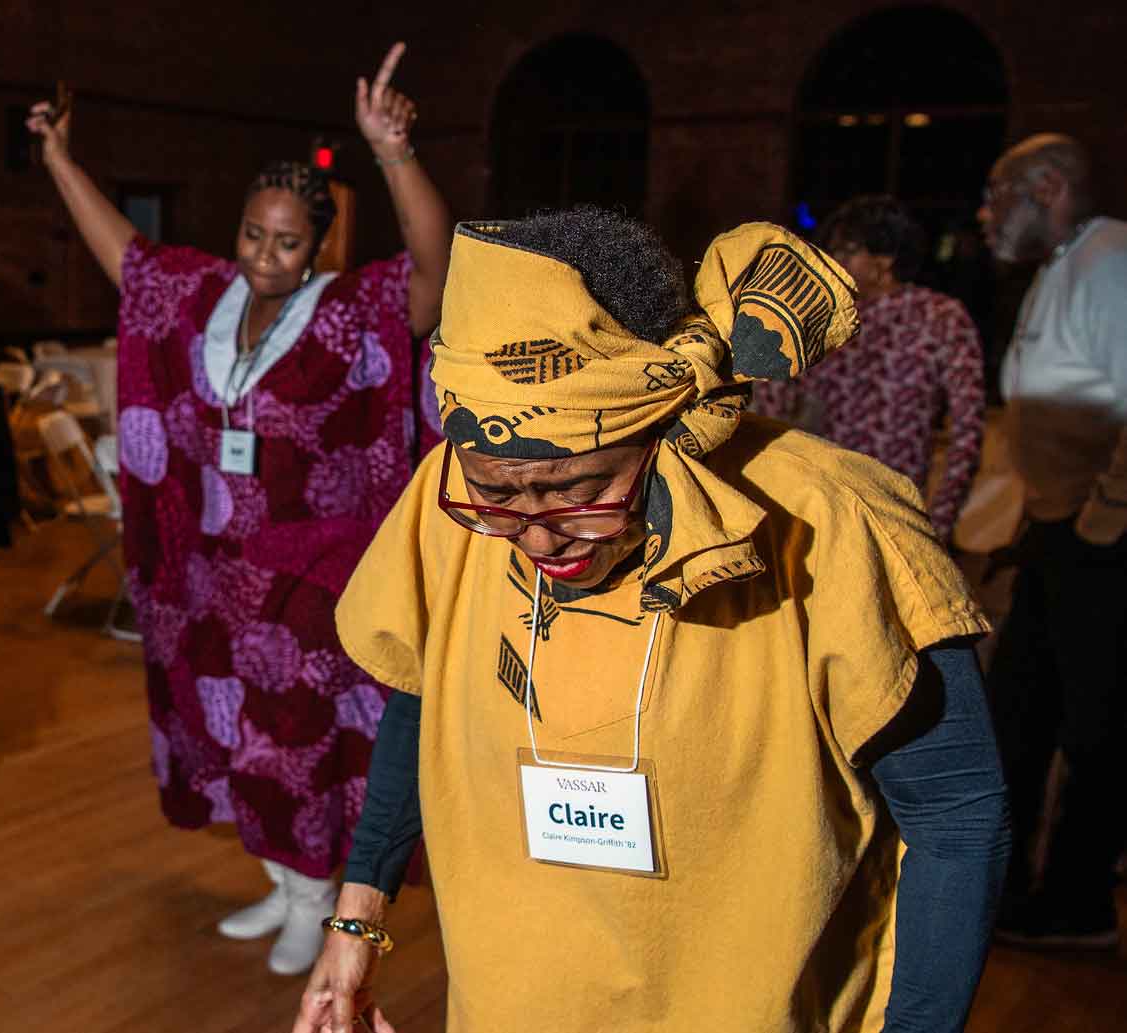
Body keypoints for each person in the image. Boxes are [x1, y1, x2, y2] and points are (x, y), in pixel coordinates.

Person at [293, 209, 1011, 1033]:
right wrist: (355, 925)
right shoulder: (444, 502)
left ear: (664, 431)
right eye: (497, 491)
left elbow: (957, 814)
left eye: (578, 487)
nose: (534, 531)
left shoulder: (833, 521)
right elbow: (421, 701)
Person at [25, 41, 451, 975]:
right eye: (253, 234)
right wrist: (58, 159)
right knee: (230, 732)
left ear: (320, 243)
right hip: (211, 569)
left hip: (309, 579)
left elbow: (435, 271)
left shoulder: (347, 312)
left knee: (297, 743)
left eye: (287, 240)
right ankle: (281, 885)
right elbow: (125, 260)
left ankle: (317, 900)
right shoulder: (203, 296)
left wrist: (391, 152)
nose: (264, 254)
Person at [978, 132, 1127, 950]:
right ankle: (1007, 895)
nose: (984, 212)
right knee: (1018, 713)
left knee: (1095, 727)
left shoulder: (1110, 259)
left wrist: (1102, 519)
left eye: (995, 194)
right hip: (1054, 529)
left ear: (1045, 185)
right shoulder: (1057, 267)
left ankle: (1077, 904)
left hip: (1100, 535)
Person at [754, 195, 985, 540]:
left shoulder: (940, 317)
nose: (834, 262)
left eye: (847, 251)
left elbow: (967, 433)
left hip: (895, 516)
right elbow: (774, 408)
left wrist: (939, 523)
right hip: (817, 509)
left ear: (884, 260)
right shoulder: (825, 318)